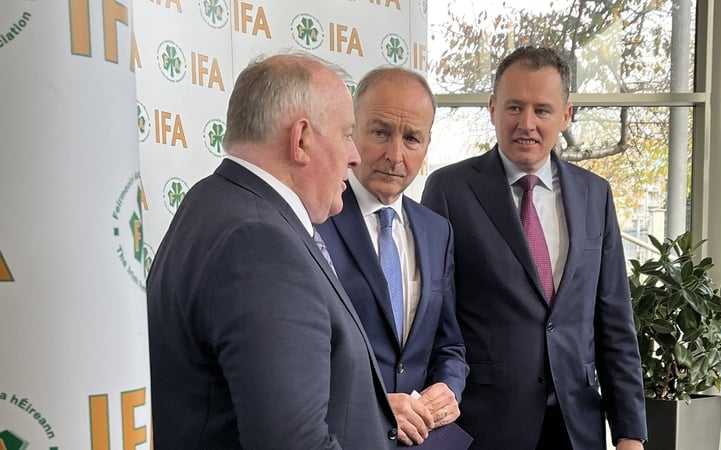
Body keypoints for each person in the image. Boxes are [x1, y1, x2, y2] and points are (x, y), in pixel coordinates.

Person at [146, 52, 398, 449]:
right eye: (346, 134)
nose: (355, 156)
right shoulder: (260, 243)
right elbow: (294, 443)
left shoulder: (213, 200)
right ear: (301, 140)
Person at [421, 46, 647, 450]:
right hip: (485, 427)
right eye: (514, 107)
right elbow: (434, 317)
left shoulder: (595, 195)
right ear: (492, 108)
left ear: (566, 115)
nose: (527, 123)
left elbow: (614, 321)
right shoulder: (449, 190)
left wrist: (630, 434)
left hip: (576, 426)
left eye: (542, 110)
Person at [317, 66, 469, 447]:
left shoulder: (437, 231)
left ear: (427, 145)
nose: (395, 155)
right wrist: (373, 407)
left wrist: (449, 388)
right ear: (353, 132)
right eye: (381, 133)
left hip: (423, 440)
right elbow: (297, 357)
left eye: (412, 138)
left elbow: (449, 344)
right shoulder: (314, 218)